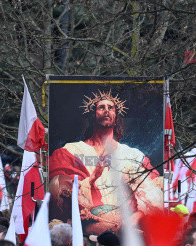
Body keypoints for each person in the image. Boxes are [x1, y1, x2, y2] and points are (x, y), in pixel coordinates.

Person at [49, 89, 163, 235]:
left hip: (129, 219)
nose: (106, 111)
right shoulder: (71, 151)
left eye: (111, 108)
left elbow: (153, 188)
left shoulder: (133, 154)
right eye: (101, 107)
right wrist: (92, 178)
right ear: (93, 114)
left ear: (116, 116)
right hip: (91, 219)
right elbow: (59, 185)